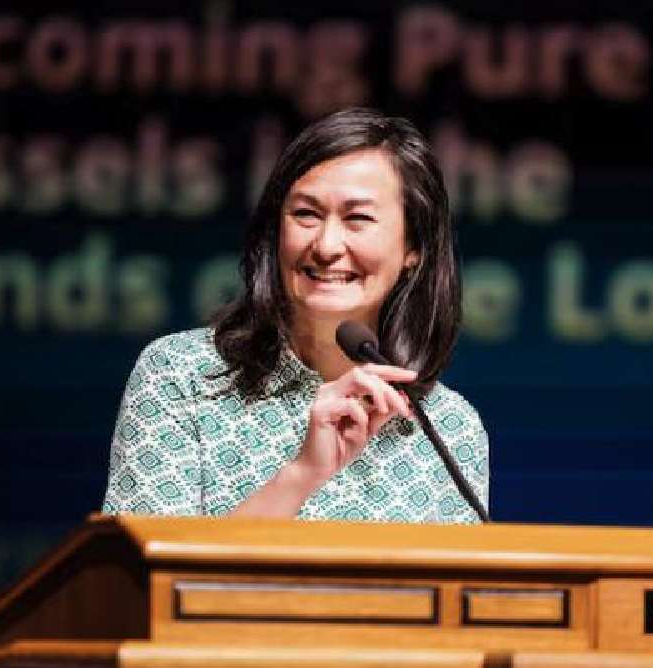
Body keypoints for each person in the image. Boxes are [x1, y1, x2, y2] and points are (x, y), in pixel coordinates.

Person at [101, 108, 488, 522]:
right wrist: (303, 474)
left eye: (357, 218)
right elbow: (149, 577)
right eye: (306, 214)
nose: (326, 245)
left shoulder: (448, 427)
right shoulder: (182, 376)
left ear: (414, 248)